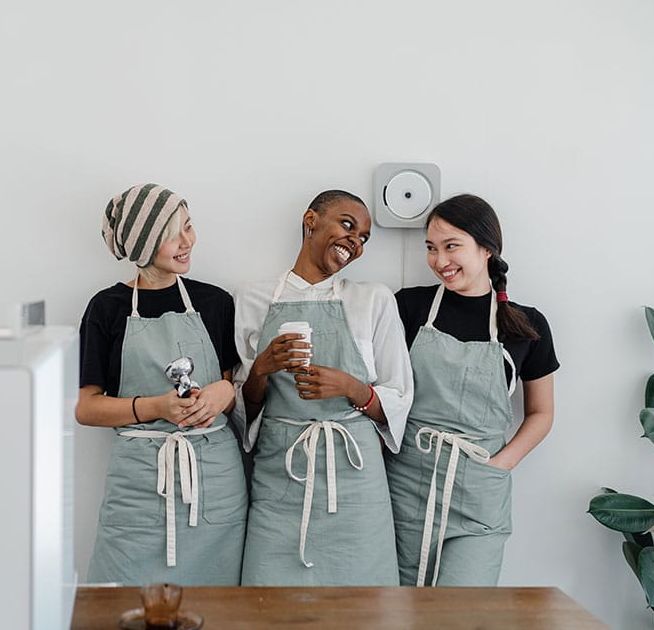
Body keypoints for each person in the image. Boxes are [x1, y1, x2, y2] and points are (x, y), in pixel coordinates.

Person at [234, 189, 413, 586]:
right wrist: (262, 368)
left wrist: (353, 388)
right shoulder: (253, 298)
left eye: (364, 237)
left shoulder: (374, 299)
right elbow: (245, 409)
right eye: (348, 225)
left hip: (355, 479)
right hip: (282, 475)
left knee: (364, 608)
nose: (355, 241)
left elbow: (399, 397)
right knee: (268, 603)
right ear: (311, 220)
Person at [76, 183, 247, 586]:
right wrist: (157, 407)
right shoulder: (107, 308)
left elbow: (235, 381)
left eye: (189, 227)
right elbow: (87, 407)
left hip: (214, 482)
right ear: (143, 244)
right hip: (138, 486)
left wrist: (225, 394)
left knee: (216, 606)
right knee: (120, 605)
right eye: (174, 234)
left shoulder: (216, 302)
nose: (188, 241)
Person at [386, 193, 558, 587]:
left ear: (486, 249)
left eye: (451, 246)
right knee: (394, 611)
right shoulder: (407, 307)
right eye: (431, 248)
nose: (439, 261)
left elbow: (541, 413)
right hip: (405, 484)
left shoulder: (526, 326)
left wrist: (499, 466)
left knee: (463, 615)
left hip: (479, 490)